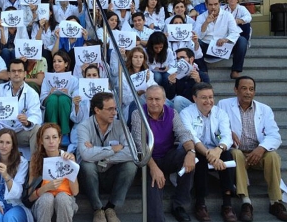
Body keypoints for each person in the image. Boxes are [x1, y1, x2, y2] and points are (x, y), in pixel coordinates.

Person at [218, 76, 287, 222]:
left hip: (257, 154)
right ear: (235, 90)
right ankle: (246, 202)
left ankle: (276, 202)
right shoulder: (223, 105)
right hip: (238, 154)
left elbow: (275, 135)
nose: (248, 92)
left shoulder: (264, 109)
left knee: (273, 156)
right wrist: (228, 132)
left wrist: (261, 148)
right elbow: (216, 128)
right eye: (244, 88)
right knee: (235, 153)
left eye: (251, 89)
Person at [131, 86, 196, 222]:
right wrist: (154, 168)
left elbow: (183, 133)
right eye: (150, 99)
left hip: (167, 157)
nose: (154, 102)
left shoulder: (172, 113)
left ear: (164, 100)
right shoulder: (138, 114)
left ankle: (179, 205)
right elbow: (139, 144)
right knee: (154, 200)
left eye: (157, 99)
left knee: (188, 158)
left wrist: (191, 152)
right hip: (147, 161)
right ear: (145, 99)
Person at [179, 83, 237, 222]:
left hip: (215, 149)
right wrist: (209, 155)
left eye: (211, 97)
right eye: (204, 97)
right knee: (200, 159)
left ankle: (227, 204)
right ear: (194, 98)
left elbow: (227, 136)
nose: (208, 101)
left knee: (228, 155)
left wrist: (218, 150)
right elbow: (192, 137)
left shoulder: (220, 113)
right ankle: (200, 203)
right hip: (195, 148)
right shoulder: (186, 113)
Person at [77, 92, 136, 222]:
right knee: (87, 166)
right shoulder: (84, 127)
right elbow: (85, 154)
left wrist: (102, 157)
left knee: (131, 166)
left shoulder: (120, 125)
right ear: (97, 110)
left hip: (111, 173)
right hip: (89, 178)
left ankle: (111, 208)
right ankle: (98, 209)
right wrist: (112, 149)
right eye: (110, 109)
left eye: (115, 108)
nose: (114, 113)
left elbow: (131, 152)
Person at [0, 59, 42, 154]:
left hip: (20, 131)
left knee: (37, 128)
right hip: (0, 131)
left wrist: (27, 122)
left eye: (19, 71)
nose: (16, 73)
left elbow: (36, 116)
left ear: (25, 74)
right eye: (13, 71)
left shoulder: (32, 93)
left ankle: (35, 163)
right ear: (9, 74)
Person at [27, 123, 79, 222]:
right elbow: (30, 196)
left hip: (66, 203)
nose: (51, 141)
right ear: (41, 141)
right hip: (42, 204)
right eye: (47, 138)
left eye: (54, 137)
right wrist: (46, 188)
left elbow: (75, 192)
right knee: (47, 197)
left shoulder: (67, 157)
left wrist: (72, 166)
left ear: (59, 139)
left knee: (62, 197)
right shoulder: (36, 159)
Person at [0, 129, 34, 222]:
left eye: (8, 143)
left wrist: (6, 175)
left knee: (10, 218)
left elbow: (17, 193)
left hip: (15, 205)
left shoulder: (21, 162)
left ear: (13, 146)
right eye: (1, 142)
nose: (4, 146)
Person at [193, 0, 248, 79]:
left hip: (224, 47)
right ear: (206, 5)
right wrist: (206, 23)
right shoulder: (201, 17)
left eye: (215, 4)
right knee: (195, 42)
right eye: (210, 5)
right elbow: (198, 36)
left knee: (242, 40)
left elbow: (235, 32)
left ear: (219, 4)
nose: (213, 7)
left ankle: (236, 70)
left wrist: (226, 39)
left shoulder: (228, 15)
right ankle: (203, 70)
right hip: (207, 48)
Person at [40, 51, 78, 147]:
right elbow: (42, 99)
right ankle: (53, 132)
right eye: (54, 61)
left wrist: (68, 94)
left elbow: (77, 98)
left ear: (66, 64)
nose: (56, 63)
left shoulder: (73, 79)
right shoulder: (47, 78)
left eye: (59, 61)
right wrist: (49, 93)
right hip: (50, 105)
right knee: (53, 99)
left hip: (66, 107)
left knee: (63, 99)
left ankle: (65, 133)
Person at [167, 48, 210, 112]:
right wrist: (171, 83)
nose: (180, 61)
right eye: (178, 59)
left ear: (191, 59)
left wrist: (199, 82)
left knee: (178, 99)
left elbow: (207, 95)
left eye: (182, 58)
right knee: (162, 100)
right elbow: (170, 96)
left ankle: (180, 121)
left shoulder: (202, 75)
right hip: (178, 104)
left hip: (195, 107)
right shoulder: (176, 74)